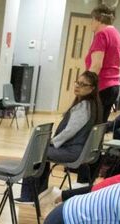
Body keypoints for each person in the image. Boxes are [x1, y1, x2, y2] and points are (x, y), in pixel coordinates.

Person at [22, 70, 101, 203]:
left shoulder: (83, 107)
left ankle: (29, 196)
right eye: (77, 82)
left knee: (37, 152)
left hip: (73, 152)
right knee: (42, 152)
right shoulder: (92, 105)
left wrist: (52, 142)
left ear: (91, 89)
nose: (77, 86)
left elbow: (70, 131)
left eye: (83, 84)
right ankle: (39, 192)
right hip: (80, 150)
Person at [85, 5, 120, 121]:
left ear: (98, 20)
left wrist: (86, 88)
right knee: (100, 124)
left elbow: (96, 65)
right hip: (113, 86)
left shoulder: (102, 35)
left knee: (91, 124)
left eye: (92, 19)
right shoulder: (117, 34)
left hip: (102, 86)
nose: (91, 23)